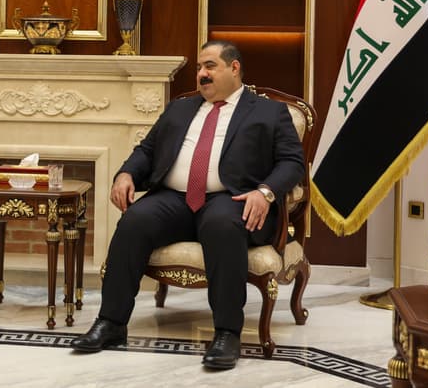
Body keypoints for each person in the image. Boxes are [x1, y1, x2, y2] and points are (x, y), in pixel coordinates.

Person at [70, 40, 305, 369]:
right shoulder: (180, 109)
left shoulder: (269, 112)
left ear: (234, 68)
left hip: (231, 198)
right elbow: (147, 150)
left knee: (222, 225)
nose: (201, 74)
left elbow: (293, 163)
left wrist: (264, 192)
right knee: (135, 220)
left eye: (210, 66)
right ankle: (111, 323)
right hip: (174, 199)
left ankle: (227, 333)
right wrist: (125, 174)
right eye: (198, 68)